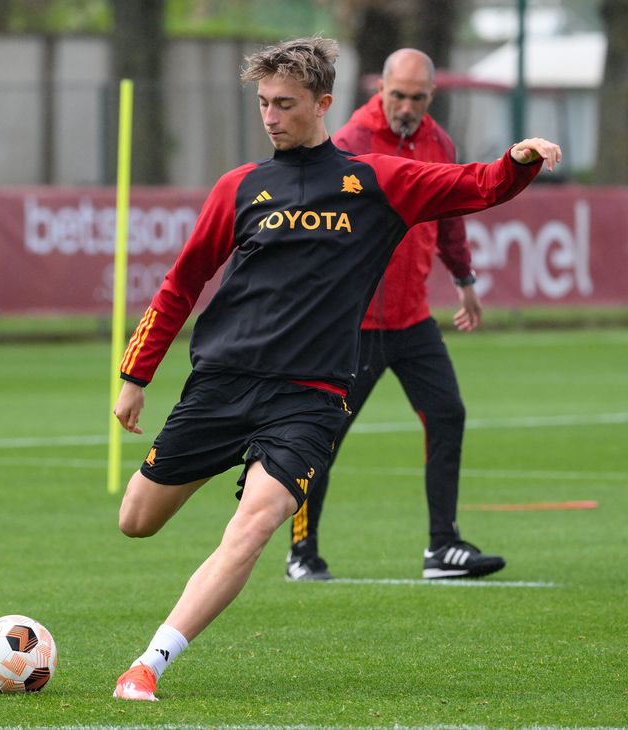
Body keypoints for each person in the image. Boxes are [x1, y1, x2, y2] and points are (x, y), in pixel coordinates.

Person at [109, 36, 560, 702]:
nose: (270, 117)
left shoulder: (377, 182)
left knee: (258, 522)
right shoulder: (240, 187)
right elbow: (182, 283)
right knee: (136, 520)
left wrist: (519, 161)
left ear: (322, 104)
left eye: (285, 105)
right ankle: (231, 457)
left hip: (309, 398)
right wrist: (136, 373)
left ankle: (149, 664)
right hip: (222, 386)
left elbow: (475, 186)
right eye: (262, 103)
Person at [285, 48, 505, 583]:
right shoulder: (351, 142)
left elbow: (451, 217)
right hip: (351, 327)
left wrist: (465, 281)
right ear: (379, 88)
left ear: (432, 96)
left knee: (447, 414)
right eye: (398, 94)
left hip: (410, 320)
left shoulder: (439, 143)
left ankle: (442, 548)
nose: (406, 105)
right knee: (321, 437)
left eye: (418, 97)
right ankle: (302, 552)